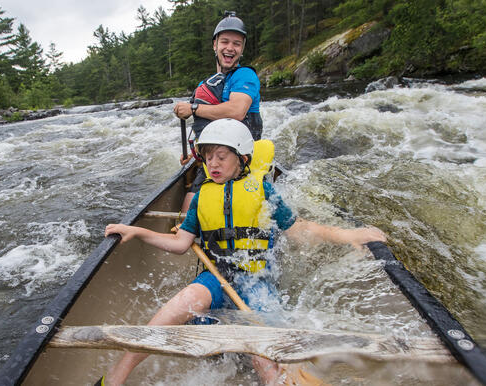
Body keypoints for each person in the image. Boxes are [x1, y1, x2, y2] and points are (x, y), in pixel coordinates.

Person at [99, 119, 387, 385]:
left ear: (242, 159)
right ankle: (117, 375)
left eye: (221, 157)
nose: (212, 164)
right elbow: (180, 244)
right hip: (217, 276)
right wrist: (138, 232)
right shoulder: (202, 197)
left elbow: (299, 229)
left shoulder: (262, 191)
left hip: (256, 280)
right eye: (208, 157)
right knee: (182, 301)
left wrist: (347, 234)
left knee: (262, 353)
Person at [173, 11, 263, 211]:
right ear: (215, 45)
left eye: (237, 43)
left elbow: (237, 111)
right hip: (213, 160)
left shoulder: (245, 75)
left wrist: (193, 108)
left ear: (242, 49)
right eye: (225, 42)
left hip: (241, 160)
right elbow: (208, 131)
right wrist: (197, 156)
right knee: (187, 207)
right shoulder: (206, 86)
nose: (230, 48)